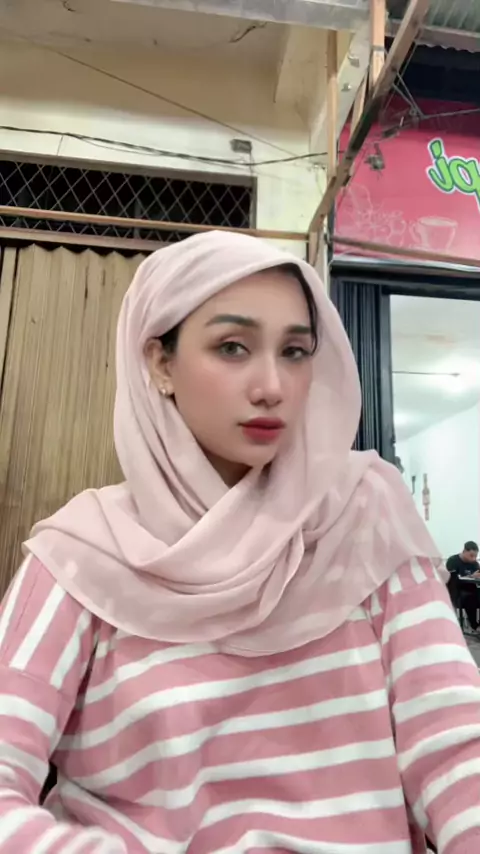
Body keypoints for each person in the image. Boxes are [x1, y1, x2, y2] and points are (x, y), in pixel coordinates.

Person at [0, 231, 479, 854]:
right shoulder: (83, 555)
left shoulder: (365, 515)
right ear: (160, 363)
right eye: (233, 347)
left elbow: (453, 742)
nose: (272, 385)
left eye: (295, 351)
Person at [446, 541, 480, 632]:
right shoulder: (453, 561)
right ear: (464, 551)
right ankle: (475, 626)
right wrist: (471, 576)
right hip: (457, 591)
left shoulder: (475, 564)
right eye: (471, 555)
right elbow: (452, 580)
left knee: (476, 595)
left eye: (475, 556)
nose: (473, 558)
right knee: (471, 598)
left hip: (472, 589)